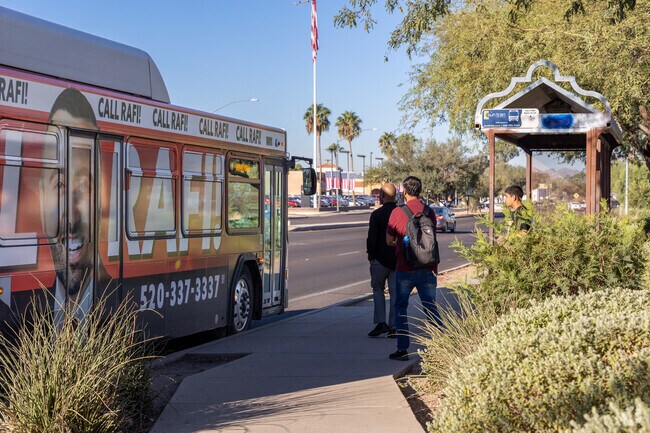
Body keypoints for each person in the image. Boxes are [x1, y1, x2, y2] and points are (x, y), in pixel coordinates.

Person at [42, 88, 97, 322]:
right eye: (60, 184)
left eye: (84, 186)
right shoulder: (24, 307)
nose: (72, 218)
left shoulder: (122, 300)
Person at [386, 176, 443, 361]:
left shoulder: (397, 212)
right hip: (428, 266)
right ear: (420, 191)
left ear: (404, 191)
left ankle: (402, 349)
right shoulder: (429, 212)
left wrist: (399, 241)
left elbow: (389, 240)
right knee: (430, 306)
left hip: (405, 267)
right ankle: (442, 344)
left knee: (401, 307)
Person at [366, 183, 397, 338]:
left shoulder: (377, 215)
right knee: (394, 293)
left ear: (382, 197)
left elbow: (372, 239)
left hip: (379, 259)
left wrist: (371, 257)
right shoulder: (402, 213)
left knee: (378, 289)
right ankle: (394, 326)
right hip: (397, 260)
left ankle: (381, 323)